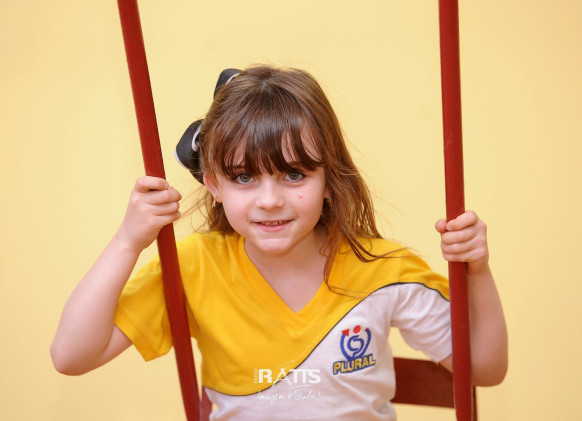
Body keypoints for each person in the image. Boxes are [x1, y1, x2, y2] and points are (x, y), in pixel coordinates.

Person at [51, 65, 507, 420]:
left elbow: (485, 369)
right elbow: (71, 356)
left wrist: (478, 270)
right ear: (213, 184)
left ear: (329, 179)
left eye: (293, 174)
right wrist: (128, 240)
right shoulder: (194, 265)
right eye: (243, 177)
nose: (270, 200)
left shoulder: (382, 269)